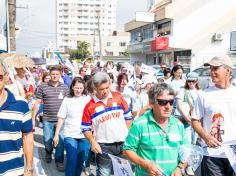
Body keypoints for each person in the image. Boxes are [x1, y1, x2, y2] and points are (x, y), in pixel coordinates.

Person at [123, 83, 188, 176]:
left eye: (171, 102)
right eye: (162, 102)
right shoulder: (139, 124)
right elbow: (127, 150)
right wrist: (147, 165)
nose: (168, 106)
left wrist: (180, 168)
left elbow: (186, 151)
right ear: (151, 103)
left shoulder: (178, 125)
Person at [81, 71, 133, 176]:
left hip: (123, 144)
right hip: (104, 146)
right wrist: (92, 142)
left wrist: (128, 135)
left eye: (107, 88)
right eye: (101, 89)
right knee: (105, 174)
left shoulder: (118, 97)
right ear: (95, 88)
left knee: (124, 173)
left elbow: (128, 117)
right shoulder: (89, 107)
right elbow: (85, 128)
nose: (105, 91)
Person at [192, 55, 236, 176]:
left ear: (228, 70)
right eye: (211, 69)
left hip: (234, 154)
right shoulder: (203, 95)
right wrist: (206, 137)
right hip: (211, 154)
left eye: (215, 68)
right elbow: (195, 120)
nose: (212, 72)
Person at [32, 65, 69, 172]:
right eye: (53, 74)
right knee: (47, 140)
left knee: (60, 142)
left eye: (57, 74)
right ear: (50, 74)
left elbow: (68, 104)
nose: (55, 76)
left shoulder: (65, 87)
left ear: (60, 74)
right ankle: (48, 151)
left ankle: (59, 161)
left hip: (61, 120)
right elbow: (37, 103)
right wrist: (33, 118)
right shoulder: (43, 87)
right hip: (47, 119)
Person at [0, 61, 34, 176]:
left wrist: (29, 169)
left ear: (6, 76)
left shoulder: (20, 104)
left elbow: (27, 137)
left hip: (13, 171)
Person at [53, 77, 91, 176]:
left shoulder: (88, 99)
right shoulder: (67, 100)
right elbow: (61, 118)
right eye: (76, 87)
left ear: (84, 88)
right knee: (72, 158)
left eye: (80, 88)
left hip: (85, 135)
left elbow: (93, 116)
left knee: (81, 159)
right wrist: (56, 135)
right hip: (70, 134)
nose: (78, 90)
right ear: (72, 87)